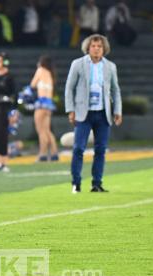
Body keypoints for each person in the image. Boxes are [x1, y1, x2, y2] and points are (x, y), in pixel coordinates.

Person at [65, 34, 122, 193]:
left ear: (104, 49)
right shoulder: (78, 64)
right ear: (88, 48)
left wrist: (117, 110)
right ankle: (76, 183)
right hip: (84, 113)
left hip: (103, 113)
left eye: (99, 46)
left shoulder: (110, 66)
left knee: (101, 150)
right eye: (94, 46)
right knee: (78, 148)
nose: (96, 49)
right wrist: (71, 110)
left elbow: (116, 90)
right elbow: (69, 88)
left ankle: (96, 183)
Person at [30, 55, 59, 162]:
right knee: (47, 130)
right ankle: (54, 153)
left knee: (40, 130)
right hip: (49, 104)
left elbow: (32, 85)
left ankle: (42, 154)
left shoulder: (40, 70)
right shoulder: (50, 74)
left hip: (41, 103)